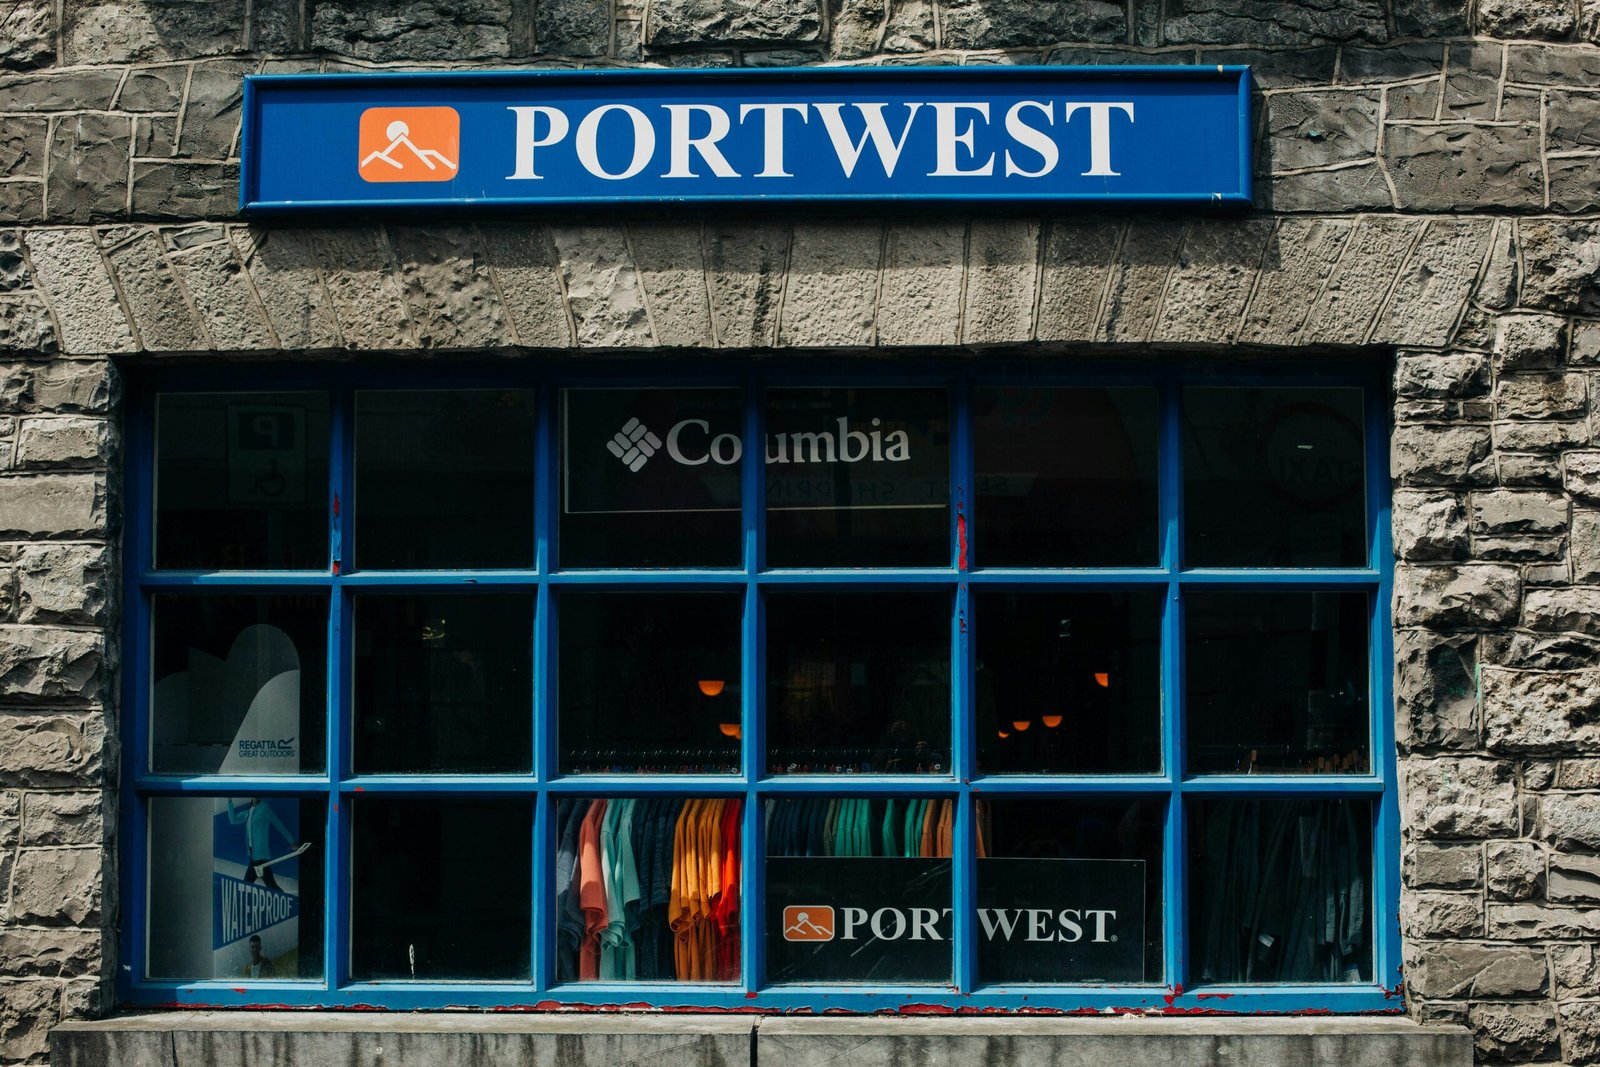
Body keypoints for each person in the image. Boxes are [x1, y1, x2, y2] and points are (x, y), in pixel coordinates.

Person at [227, 797, 295, 891]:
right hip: (254, 856)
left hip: (261, 856)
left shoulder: (264, 809)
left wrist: (292, 841)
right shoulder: (248, 812)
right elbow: (233, 820)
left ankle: (288, 904)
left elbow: (279, 825)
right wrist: (229, 802)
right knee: (268, 884)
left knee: (261, 885)